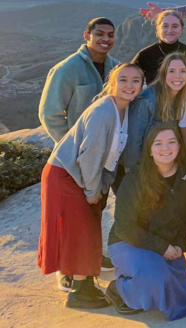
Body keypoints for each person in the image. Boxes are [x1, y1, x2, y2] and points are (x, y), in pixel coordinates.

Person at [37, 63, 144, 309]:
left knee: (84, 229)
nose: (129, 85)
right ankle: (78, 293)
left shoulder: (123, 109)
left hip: (76, 175)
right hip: (67, 175)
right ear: (112, 83)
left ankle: (83, 285)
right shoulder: (104, 111)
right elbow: (89, 156)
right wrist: (92, 191)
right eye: (123, 80)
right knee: (81, 230)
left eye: (135, 81)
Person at [106, 123, 186, 320]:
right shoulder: (136, 179)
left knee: (181, 296)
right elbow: (125, 226)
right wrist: (162, 247)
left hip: (168, 239)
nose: (165, 148)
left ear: (179, 146)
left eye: (171, 142)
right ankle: (119, 290)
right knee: (157, 280)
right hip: (130, 241)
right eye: (158, 143)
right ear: (149, 149)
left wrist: (180, 243)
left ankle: (151, 276)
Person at [39, 17, 120, 144]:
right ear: (87, 36)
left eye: (110, 35)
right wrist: (71, 145)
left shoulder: (117, 68)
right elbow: (50, 114)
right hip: (77, 150)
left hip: (110, 147)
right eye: (99, 34)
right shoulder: (66, 69)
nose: (106, 39)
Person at [123, 53, 186, 171]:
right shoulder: (147, 100)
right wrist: (136, 174)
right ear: (164, 74)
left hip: (164, 165)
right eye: (172, 71)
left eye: (182, 71)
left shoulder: (184, 98)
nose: (178, 76)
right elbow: (132, 145)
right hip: (142, 167)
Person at [131, 10, 186, 85]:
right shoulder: (144, 55)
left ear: (182, 29)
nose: (170, 30)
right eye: (165, 26)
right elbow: (129, 78)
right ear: (158, 29)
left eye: (175, 26)